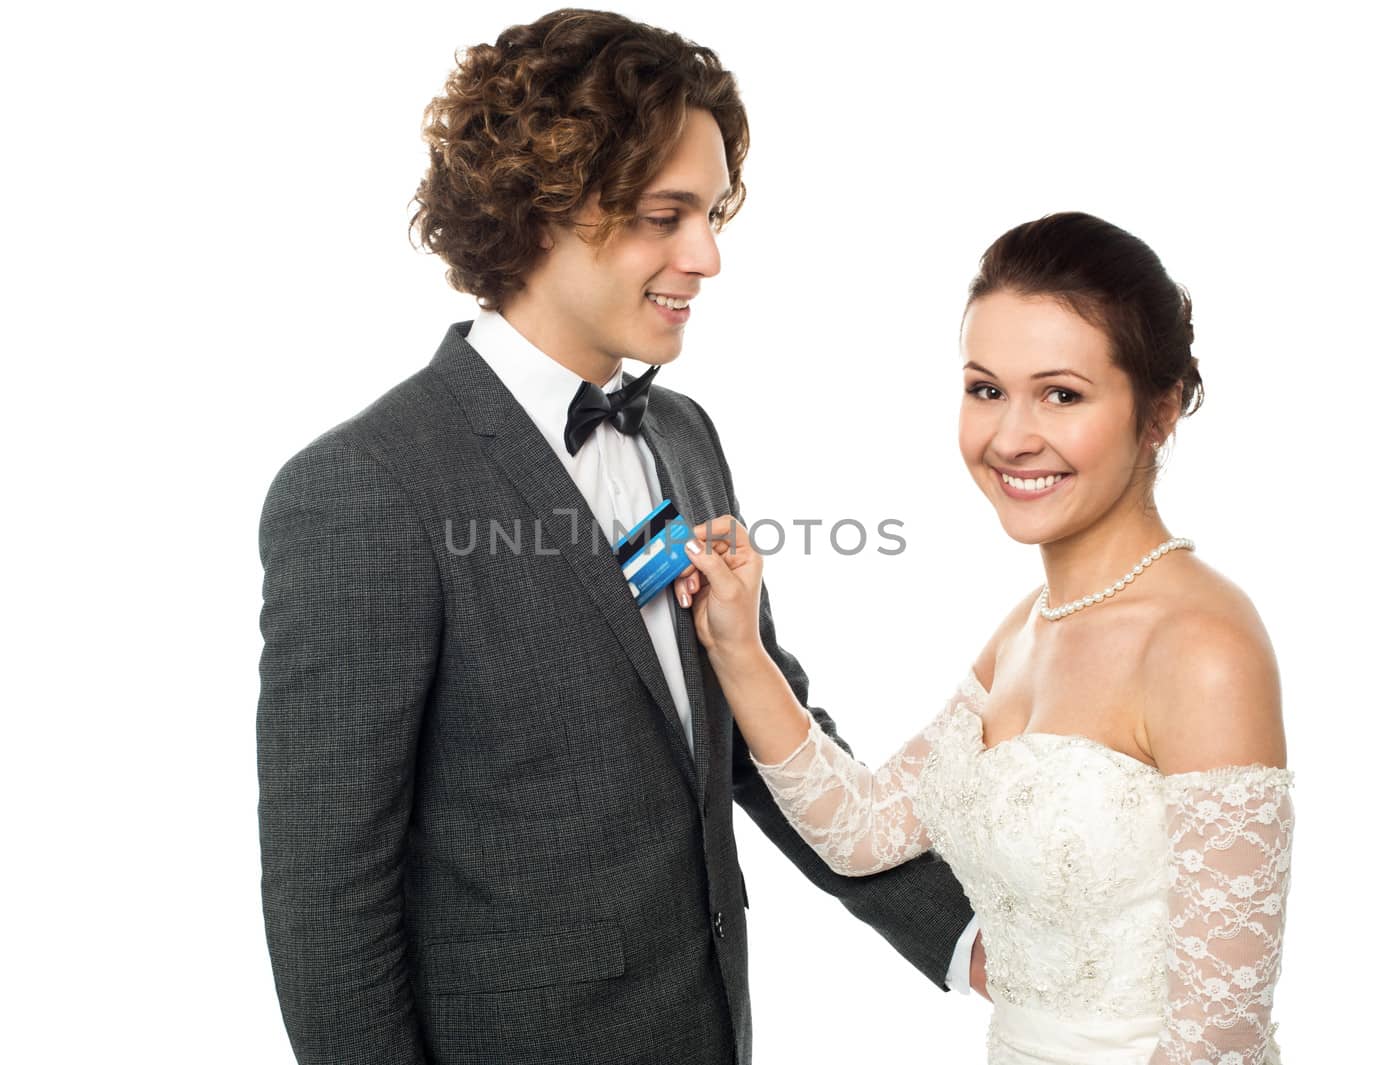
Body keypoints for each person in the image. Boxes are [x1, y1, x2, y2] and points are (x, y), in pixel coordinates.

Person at [254, 10, 977, 1065]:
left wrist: (965, 938)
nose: (709, 256)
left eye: (714, 211)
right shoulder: (361, 487)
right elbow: (326, 899)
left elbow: (756, 737)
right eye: (666, 214)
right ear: (542, 205)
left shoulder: (681, 436)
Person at [679, 212, 1294, 1064]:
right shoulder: (1026, 627)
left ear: (1157, 414)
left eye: (1062, 394)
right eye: (986, 388)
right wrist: (740, 647)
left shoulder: (1204, 646)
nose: (1010, 437)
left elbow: (1217, 1039)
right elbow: (862, 829)